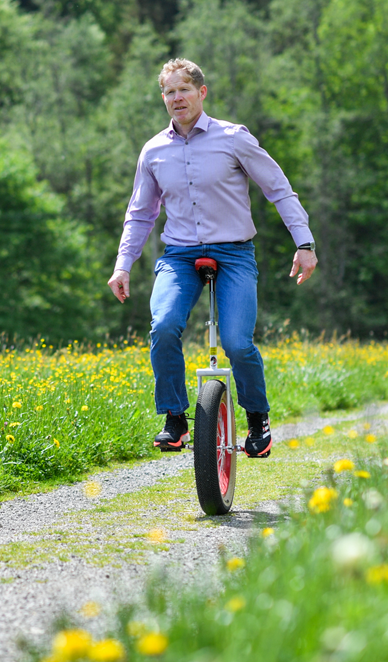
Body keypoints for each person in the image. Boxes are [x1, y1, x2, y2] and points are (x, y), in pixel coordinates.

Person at [107, 58, 317, 457]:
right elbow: (140, 214)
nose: (176, 98)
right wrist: (122, 265)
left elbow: (279, 189)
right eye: (169, 92)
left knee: (238, 342)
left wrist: (304, 244)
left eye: (184, 89)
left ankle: (257, 418)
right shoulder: (153, 151)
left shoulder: (233, 138)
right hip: (180, 256)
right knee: (164, 325)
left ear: (201, 93)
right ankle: (174, 417)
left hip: (234, 252)